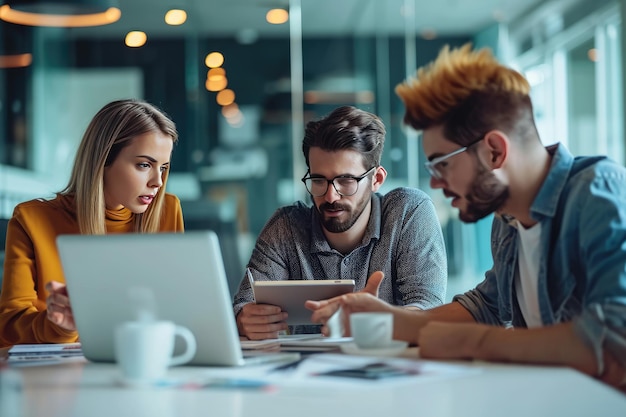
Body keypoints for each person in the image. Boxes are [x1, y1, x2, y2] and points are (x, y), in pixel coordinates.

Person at [306, 44, 626, 388]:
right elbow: (486, 307)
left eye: (442, 163)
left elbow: (613, 338)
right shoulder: (508, 220)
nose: (434, 181)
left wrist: (472, 342)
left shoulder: (598, 192)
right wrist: (389, 320)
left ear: (495, 151)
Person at [234, 105, 447, 340]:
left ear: (376, 179)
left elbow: (428, 308)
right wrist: (244, 321)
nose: (330, 196)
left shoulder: (407, 212)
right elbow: (244, 306)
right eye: (318, 180)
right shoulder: (286, 228)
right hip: (305, 372)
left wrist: (375, 322)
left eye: (346, 181)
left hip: (389, 367)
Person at [0, 99, 184, 347]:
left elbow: (181, 311)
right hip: (62, 374)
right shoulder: (32, 220)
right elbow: (9, 326)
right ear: (103, 160)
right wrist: (58, 326)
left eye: (163, 168)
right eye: (144, 165)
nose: (157, 182)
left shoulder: (167, 211)